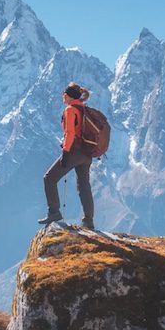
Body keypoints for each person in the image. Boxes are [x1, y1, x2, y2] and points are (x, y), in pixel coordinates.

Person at [38, 82, 95, 228]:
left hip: (74, 151)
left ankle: (54, 212)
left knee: (49, 178)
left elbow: (70, 133)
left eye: (64, 93)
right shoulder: (83, 108)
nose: (62, 96)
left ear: (69, 96)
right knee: (83, 185)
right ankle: (88, 220)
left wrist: (65, 152)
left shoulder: (70, 110)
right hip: (87, 153)